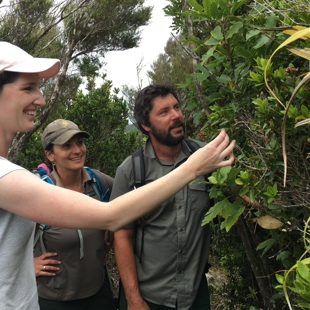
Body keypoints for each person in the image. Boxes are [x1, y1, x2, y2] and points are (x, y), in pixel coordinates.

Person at [0, 41, 235, 310]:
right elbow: (113, 216)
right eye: (28, 88)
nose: (40, 99)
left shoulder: (20, 174)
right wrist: (193, 168)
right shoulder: (7, 177)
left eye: (39, 88)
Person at [111, 84, 217, 310]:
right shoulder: (131, 171)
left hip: (195, 293)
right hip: (149, 297)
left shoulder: (207, 158)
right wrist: (133, 298)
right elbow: (121, 237)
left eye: (176, 107)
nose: (176, 115)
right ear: (145, 125)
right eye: (164, 112)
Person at [33, 119, 116, 310]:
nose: (77, 150)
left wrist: (112, 234)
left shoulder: (97, 182)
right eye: (66, 146)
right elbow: (8, 233)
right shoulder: (39, 192)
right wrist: (26, 266)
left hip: (98, 293)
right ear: (50, 154)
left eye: (80, 142)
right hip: (53, 299)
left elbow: (128, 203)